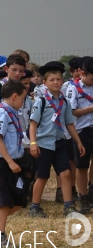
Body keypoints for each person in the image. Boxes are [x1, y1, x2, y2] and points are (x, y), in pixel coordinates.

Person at [28, 61, 85, 217]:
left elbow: (69, 124)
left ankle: (68, 206)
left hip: (59, 143)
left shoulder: (64, 102)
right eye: (52, 80)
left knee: (65, 173)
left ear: (62, 80)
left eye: (58, 79)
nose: (56, 82)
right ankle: (34, 207)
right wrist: (33, 143)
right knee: (42, 176)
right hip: (43, 144)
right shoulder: (41, 101)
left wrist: (78, 141)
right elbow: (33, 125)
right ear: (45, 83)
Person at [0, 80, 29, 248]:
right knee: (3, 201)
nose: (23, 102)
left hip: (12, 161)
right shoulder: (1, 114)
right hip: (0, 162)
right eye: (23, 98)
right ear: (15, 96)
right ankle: (0, 237)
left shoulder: (13, 113)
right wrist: (9, 161)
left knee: (19, 199)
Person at [66, 57, 93, 212]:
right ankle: (83, 197)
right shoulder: (73, 89)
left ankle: (91, 191)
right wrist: (90, 109)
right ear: (82, 73)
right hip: (82, 131)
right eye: (91, 78)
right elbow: (71, 111)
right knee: (82, 165)